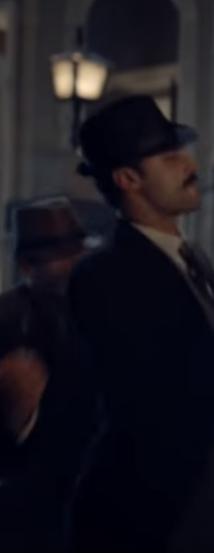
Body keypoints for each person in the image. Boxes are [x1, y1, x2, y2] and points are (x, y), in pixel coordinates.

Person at [66, 95, 214, 552]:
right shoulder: (104, 275)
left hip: (210, 509)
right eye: (170, 158)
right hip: (146, 520)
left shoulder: (191, 260)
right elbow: (158, 396)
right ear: (128, 179)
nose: (190, 164)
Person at [0, 198, 101, 552]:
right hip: (29, 508)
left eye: (78, 250)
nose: (77, 260)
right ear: (28, 266)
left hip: (87, 497)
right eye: (63, 254)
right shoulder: (8, 318)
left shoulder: (96, 311)